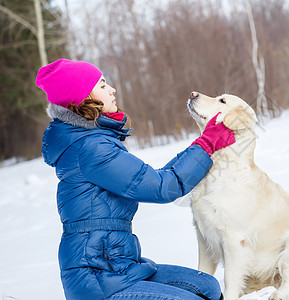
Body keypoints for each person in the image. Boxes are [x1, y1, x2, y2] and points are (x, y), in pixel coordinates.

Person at [36, 59, 235, 300]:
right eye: (101, 85)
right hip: (97, 280)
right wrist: (207, 145)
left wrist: (203, 146)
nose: (112, 89)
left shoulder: (94, 140)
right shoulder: (90, 148)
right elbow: (163, 187)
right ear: (82, 99)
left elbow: (154, 179)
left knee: (207, 287)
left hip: (121, 267)